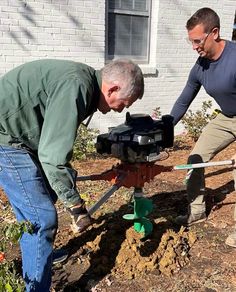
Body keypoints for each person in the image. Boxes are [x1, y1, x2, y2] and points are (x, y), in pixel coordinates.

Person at [0, 58, 144, 291]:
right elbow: (53, 157)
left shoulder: (84, 83)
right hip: (6, 139)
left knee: (41, 200)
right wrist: (76, 206)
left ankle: (39, 255)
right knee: (41, 218)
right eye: (125, 102)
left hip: (22, 135)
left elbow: (53, 143)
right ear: (112, 88)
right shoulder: (77, 86)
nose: (123, 108)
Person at [170, 7, 236, 247]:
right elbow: (184, 99)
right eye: (191, 41)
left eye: (198, 40)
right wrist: (166, 126)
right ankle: (197, 211)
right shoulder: (201, 66)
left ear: (214, 33)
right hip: (227, 117)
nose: (194, 46)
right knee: (195, 158)